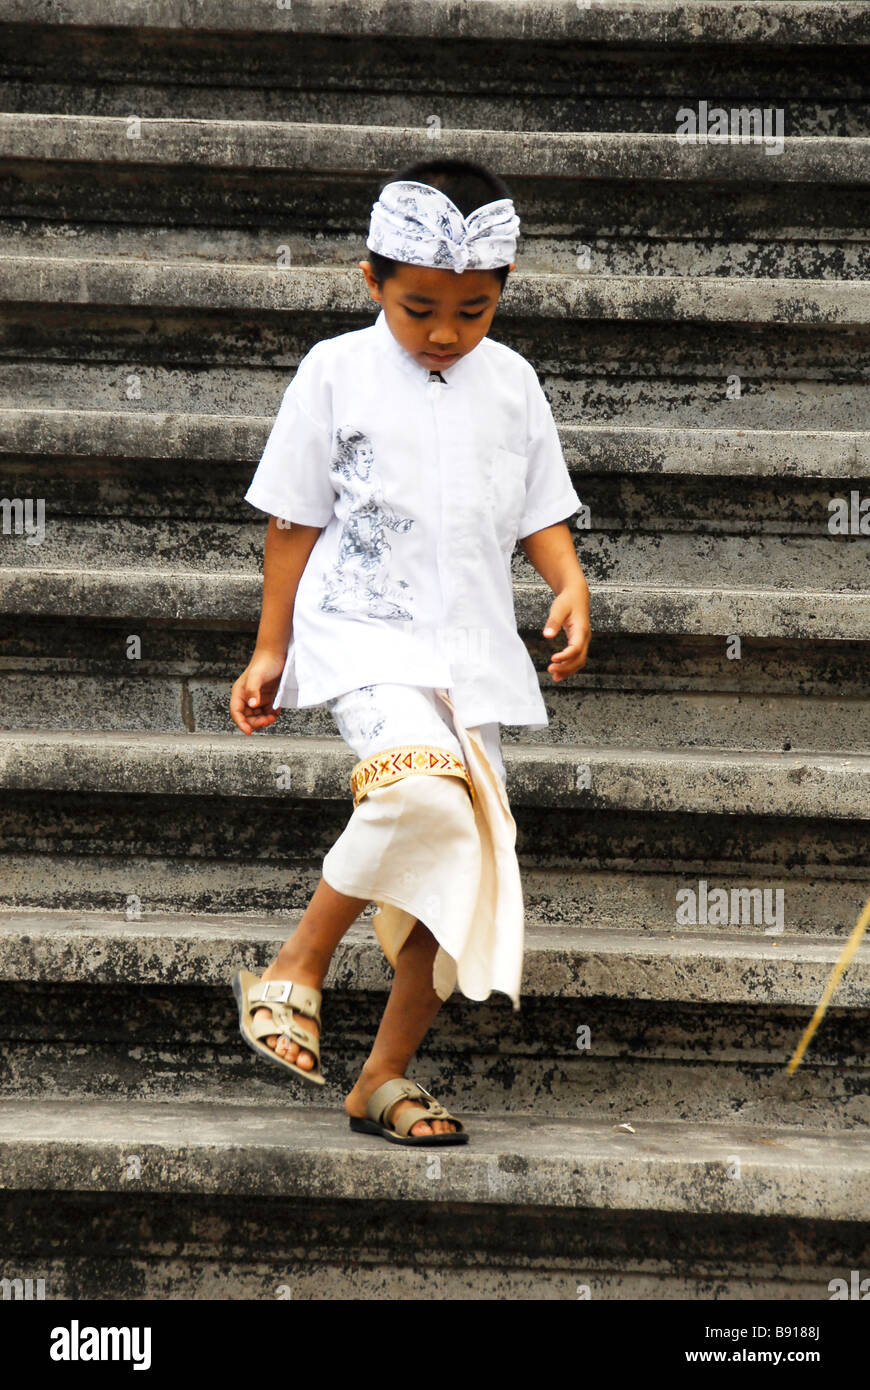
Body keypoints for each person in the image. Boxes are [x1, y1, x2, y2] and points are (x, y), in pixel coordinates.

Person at [230, 157, 591, 1146]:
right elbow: (292, 520)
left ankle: (380, 1077)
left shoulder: (513, 383)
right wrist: (270, 649)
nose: (445, 330)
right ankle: (295, 967)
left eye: (473, 310)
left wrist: (568, 582)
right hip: (362, 633)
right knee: (419, 793)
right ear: (371, 281)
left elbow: (539, 511)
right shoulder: (333, 371)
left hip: (468, 657)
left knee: (457, 869)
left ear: (501, 295)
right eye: (420, 305)